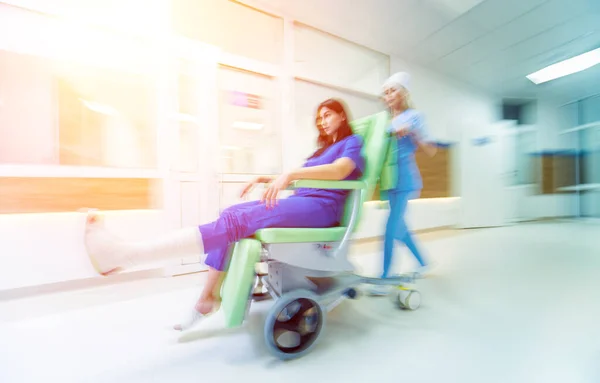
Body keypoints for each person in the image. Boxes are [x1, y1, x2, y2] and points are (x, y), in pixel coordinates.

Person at [82, 98, 365, 330]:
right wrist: (268, 178)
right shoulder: (321, 151)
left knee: (237, 221)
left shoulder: (352, 143)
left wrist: (290, 174)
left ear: (342, 116)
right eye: (319, 117)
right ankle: (207, 296)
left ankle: (128, 255)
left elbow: (340, 171)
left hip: (322, 209)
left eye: (328, 115)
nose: (322, 121)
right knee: (230, 214)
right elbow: (304, 178)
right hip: (304, 201)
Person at [370, 72, 437, 295]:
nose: (388, 96)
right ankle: (423, 262)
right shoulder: (384, 121)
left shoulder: (415, 116)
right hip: (389, 181)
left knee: (390, 228)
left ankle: (385, 276)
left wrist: (413, 133)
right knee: (400, 228)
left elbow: (431, 150)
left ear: (404, 93)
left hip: (406, 179)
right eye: (386, 92)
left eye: (393, 90)